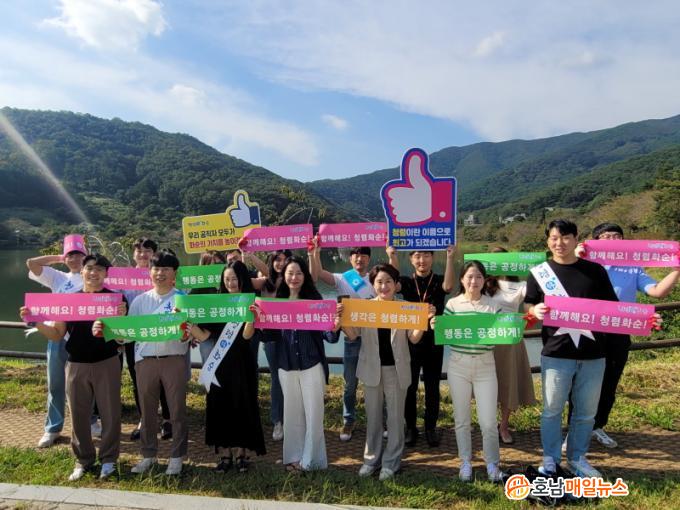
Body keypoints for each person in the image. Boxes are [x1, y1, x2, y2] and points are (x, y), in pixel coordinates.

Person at [524, 219, 620, 479]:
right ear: (548, 241)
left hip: (593, 354)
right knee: (552, 410)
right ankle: (551, 459)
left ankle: (577, 458)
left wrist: (645, 319)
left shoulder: (595, 271)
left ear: (576, 239)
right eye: (554, 238)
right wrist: (534, 310)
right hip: (556, 353)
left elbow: (614, 308)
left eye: (566, 237)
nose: (560, 243)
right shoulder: (540, 273)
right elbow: (528, 304)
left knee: (586, 413)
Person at [570, 222, 680, 448]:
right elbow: (566, 282)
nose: (612, 240)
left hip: (619, 331)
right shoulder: (585, 263)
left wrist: (676, 269)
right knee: (581, 382)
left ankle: (597, 426)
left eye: (617, 236)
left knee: (610, 381)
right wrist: (576, 257)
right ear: (595, 241)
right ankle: (574, 430)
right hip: (587, 331)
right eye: (606, 236)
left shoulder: (633, 267)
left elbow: (657, 291)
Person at [21, 253, 127, 481]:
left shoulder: (116, 299)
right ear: (82, 271)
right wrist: (35, 321)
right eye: (89, 268)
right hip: (76, 363)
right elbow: (57, 334)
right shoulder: (69, 300)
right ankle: (83, 460)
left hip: (107, 362)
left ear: (106, 274)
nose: (93, 273)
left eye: (99, 269)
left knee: (110, 413)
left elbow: (122, 338)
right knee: (78, 414)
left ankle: (108, 459)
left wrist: (120, 319)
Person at [341, 264, 431, 481]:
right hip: (371, 368)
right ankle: (371, 459)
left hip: (396, 369)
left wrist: (423, 321)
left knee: (395, 418)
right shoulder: (364, 307)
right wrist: (342, 320)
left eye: (388, 281)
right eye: (379, 282)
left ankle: (391, 462)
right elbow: (353, 335)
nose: (384, 286)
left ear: (396, 284)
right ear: (373, 285)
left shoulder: (405, 308)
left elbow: (414, 338)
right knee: (373, 417)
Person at [257, 256, 340, 471]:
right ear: (283, 276)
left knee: (314, 414)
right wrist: (259, 321)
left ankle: (311, 461)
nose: (294, 278)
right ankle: (294, 457)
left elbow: (329, 336)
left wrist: (334, 326)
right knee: (292, 414)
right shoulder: (277, 302)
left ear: (305, 276)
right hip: (286, 366)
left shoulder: (314, 300)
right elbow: (270, 337)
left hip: (311, 364)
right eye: (290, 273)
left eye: (299, 273)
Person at [188, 261, 266, 473]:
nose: (231, 283)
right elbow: (205, 335)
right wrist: (188, 323)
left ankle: (241, 454)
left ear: (242, 280)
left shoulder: (251, 302)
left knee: (243, 404)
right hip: (219, 363)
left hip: (242, 363)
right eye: (227, 279)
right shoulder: (216, 304)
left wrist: (251, 318)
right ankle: (224, 454)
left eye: (234, 279)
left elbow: (247, 336)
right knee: (219, 406)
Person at [437, 260, 505, 482]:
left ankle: (492, 463)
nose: (473, 281)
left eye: (478, 277)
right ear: (462, 279)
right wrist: (436, 327)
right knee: (462, 419)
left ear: (484, 280)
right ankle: (465, 461)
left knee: (488, 421)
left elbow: (502, 334)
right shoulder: (453, 304)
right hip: (459, 365)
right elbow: (445, 333)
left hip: (486, 365)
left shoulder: (493, 306)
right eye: (469, 276)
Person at [387, 246, 456, 447]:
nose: (422, 260)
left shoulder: (439, 280)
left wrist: (450, 257)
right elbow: (393, 283)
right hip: (410, 341)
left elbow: (449, 287)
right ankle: (411, 427)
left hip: (434, 341)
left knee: (432, 386)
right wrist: (392, 256)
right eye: (417, 256)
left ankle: (430, 427)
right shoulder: (407, 282)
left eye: (426, 255)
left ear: (432, 257)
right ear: (410, 259)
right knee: (409, 386)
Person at [128, 249, 189, 476]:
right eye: (156, 269)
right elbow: (128, 334)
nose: (160, 273)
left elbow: (188, 335)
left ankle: (177, 457)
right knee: (147, 411)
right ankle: (148, 455)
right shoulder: (140, 301)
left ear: (175, 273)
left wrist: (184, 331)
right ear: (149, 272)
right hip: (145, 362)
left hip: (173, 359)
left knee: (177, 410)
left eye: (166, 269)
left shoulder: (182, 300)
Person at [309, 240, 374, 442]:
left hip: (374, 339)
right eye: (356, 255)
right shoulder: (342, 278)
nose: (359, 258)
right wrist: (316, 252)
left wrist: (392, 254)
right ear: (350, 258)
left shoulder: (376, 278)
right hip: (351, 338)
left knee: (375, 382)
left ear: (369, 258)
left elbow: (394, 278)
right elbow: (318, 273)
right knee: (350, 385)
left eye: (363, 255)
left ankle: (378, 420)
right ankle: (348, 420)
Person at [26, 234, 86, 448]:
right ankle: (53, 428)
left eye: (79, 255)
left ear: (86, 256)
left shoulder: (92, 276)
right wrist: (60, 257)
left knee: (85, 383)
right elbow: (31, 263)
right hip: (57, 335)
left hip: (83, 337)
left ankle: (91, 421)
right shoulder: (58, 278)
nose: (74, 259)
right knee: (56, 383)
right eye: (71, 255)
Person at [484, 247, 536, 445]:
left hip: (510, 341)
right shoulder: (483, 283)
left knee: (508, 383)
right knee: (487, 384)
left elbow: (532, 305)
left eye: (501, 259)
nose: (498, 263)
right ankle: (488, 425)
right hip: (487, 339)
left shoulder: (521, 285)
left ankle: (504, 426)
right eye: (493, 260)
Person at [124, 237, 172, 442]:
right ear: (133, 254)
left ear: (154, 254)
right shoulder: (122, 277)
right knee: (138, 379)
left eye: (147, 251)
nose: (143, 254)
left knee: (165, 378)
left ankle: (168, 419)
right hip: (134, 335)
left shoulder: (163, 273)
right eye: (139, 251)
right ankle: (144, 418)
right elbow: (114, 302)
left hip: (162, 334)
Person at [259, 249, 292, 442]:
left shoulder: (293, 280)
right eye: (277, 260)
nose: (280, 263)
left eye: (285, 260)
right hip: (271, 338)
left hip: (291, 337)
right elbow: (243, 280)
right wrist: (248, 255)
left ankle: (293, 419)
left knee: (293, 377)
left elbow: (314, 277)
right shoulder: (265, 282)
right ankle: (278, 420)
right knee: (276, 379)